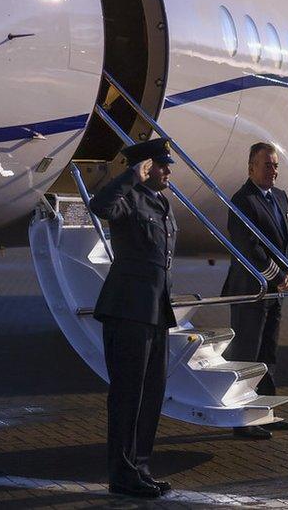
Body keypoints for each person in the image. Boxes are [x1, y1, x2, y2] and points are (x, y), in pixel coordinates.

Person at [90, 138, 177, 498]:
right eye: (161, 164)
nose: (168, 170)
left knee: (152, 393)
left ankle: (140, 467)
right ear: (145, 168)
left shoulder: (163, 203)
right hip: (128, 310)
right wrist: (130, 176)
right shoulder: (129, 199)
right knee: (127, 396)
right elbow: (100, 205)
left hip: (156, 312)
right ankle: (122, 474)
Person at [221, 142, 288, 440]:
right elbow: (248, 248)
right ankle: (242, 419)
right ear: (251, 167)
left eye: (276, 165)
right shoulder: (242, 201)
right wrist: (278, 276)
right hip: (250, 291)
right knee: (247, 356)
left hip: (275, 292)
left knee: (268, 355)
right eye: (267, 165)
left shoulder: (281, 197)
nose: (273, 170)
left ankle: (265, 413)